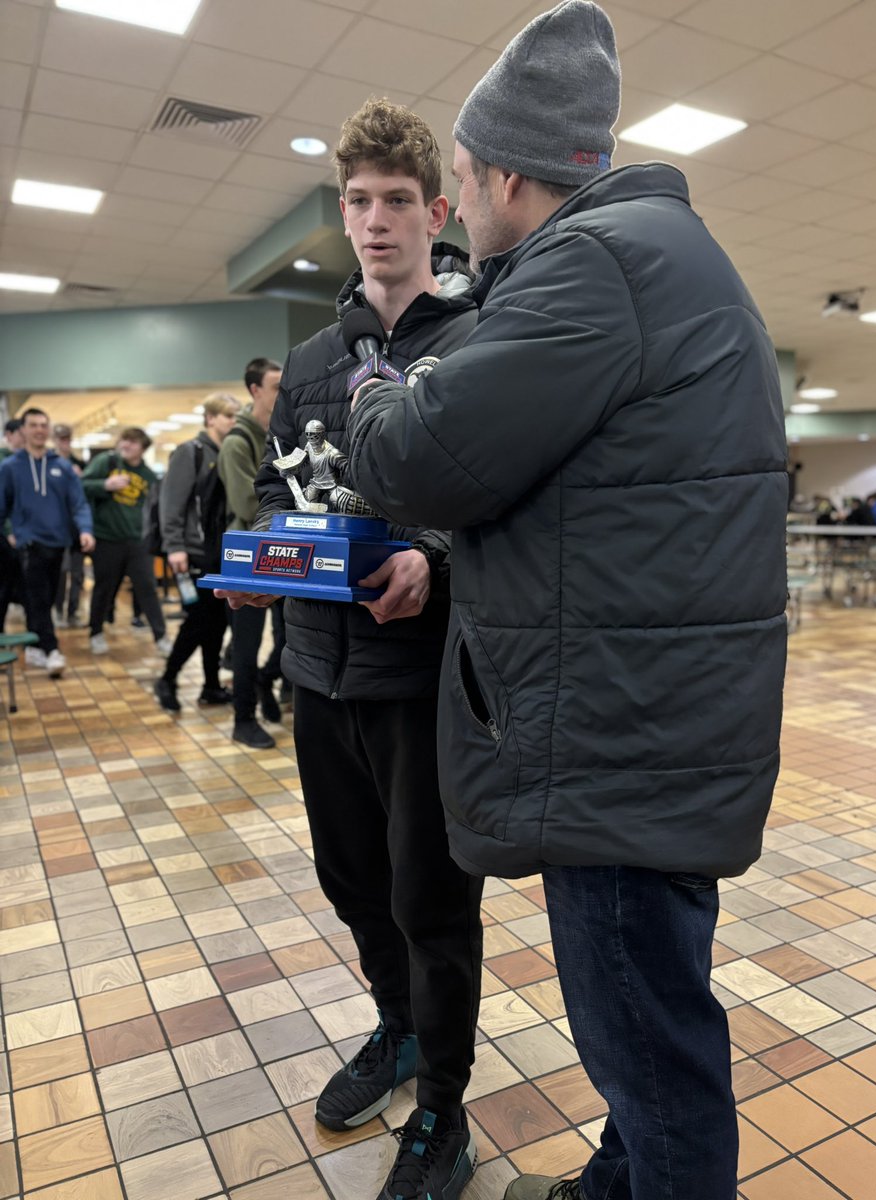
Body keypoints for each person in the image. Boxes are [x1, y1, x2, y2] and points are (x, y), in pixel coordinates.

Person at [346, 7, 788, 1200]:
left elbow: (420, 458)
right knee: (647, 1025)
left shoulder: (591, 266)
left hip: (616, 747)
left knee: (650, 1049)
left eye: (459, 174)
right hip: (655, 724)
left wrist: (385, 388)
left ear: (496, 173)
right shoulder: (658, 254)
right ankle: (615, 1184)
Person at [218, 99, 483, 1200]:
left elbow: (502, 512)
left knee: (433, 895)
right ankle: (398, 1025)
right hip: (320, 674)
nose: (377, 222)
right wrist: (260, 561)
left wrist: (435, 559)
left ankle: (446, 1108)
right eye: (360, 203)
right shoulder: (312, 363)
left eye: (398, 203)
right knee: (351, 879)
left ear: (439, 209)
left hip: (421, 683)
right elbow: (290, 503)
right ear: (344, 211)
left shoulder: (481, 345)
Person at [153, 393, 239, 713]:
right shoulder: (191, 452)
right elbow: (172, 503)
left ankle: (211, 686)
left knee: (216, 622)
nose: (233, 421)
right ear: (210, 419)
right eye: (228, 415)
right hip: (192, 552)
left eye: (236, 415)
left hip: (219, 552)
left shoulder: (227, 453)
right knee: (199, 620)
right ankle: (168, 678)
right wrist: (174, 546)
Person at [217, 357, 286, 749]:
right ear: (255, 390)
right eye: (275, 386)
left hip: (279, 552)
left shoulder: (281, 435)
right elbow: (246, 503)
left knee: (289, 634)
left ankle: (267, 681)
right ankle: (243, 718)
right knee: (245, 641)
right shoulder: (236, 442)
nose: (282, 393)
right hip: (245, 555)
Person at [0, 408, 95, 677]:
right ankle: (51, 648)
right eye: (34, 425)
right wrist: (9, 531)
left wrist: (85, 530)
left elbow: (78, 503)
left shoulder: (62, 467)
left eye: (44, 424)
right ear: (24, 430)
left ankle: (35, 647)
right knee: (39, 598)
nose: (39, 429)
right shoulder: (10, 467)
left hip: (58, 544)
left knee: (48, 597)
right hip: (28, 544)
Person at [81, 427, 172, 657]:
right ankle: (95, 633)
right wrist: (105, 485)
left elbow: (155, 508)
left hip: (138, 542)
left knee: (147, 588)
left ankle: (161, 636)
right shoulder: (107, 462)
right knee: (104, 589)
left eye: (132, 442)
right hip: (107, 539)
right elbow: (81, 486)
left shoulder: (148, 476)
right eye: (124, 440)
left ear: (142, 447)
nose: (126, 445)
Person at [51, 422, 87, 628]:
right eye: (61, 438)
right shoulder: (48, 462)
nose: (64, 442)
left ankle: (73, 611)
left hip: (77, 530)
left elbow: (85, 497)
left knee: (78, 574)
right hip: (58, 529)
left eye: (67, 438)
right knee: (61, 574)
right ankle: (57, 610)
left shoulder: (79, 464)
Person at [0, 419, 25, 631]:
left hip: (29, 535)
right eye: (21, 433)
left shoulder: (30, 460)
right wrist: (9, 530)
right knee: (4, 588)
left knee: (29, 590)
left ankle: (35, 643)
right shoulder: (4, 460)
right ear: (9, 434)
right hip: (6, 536)